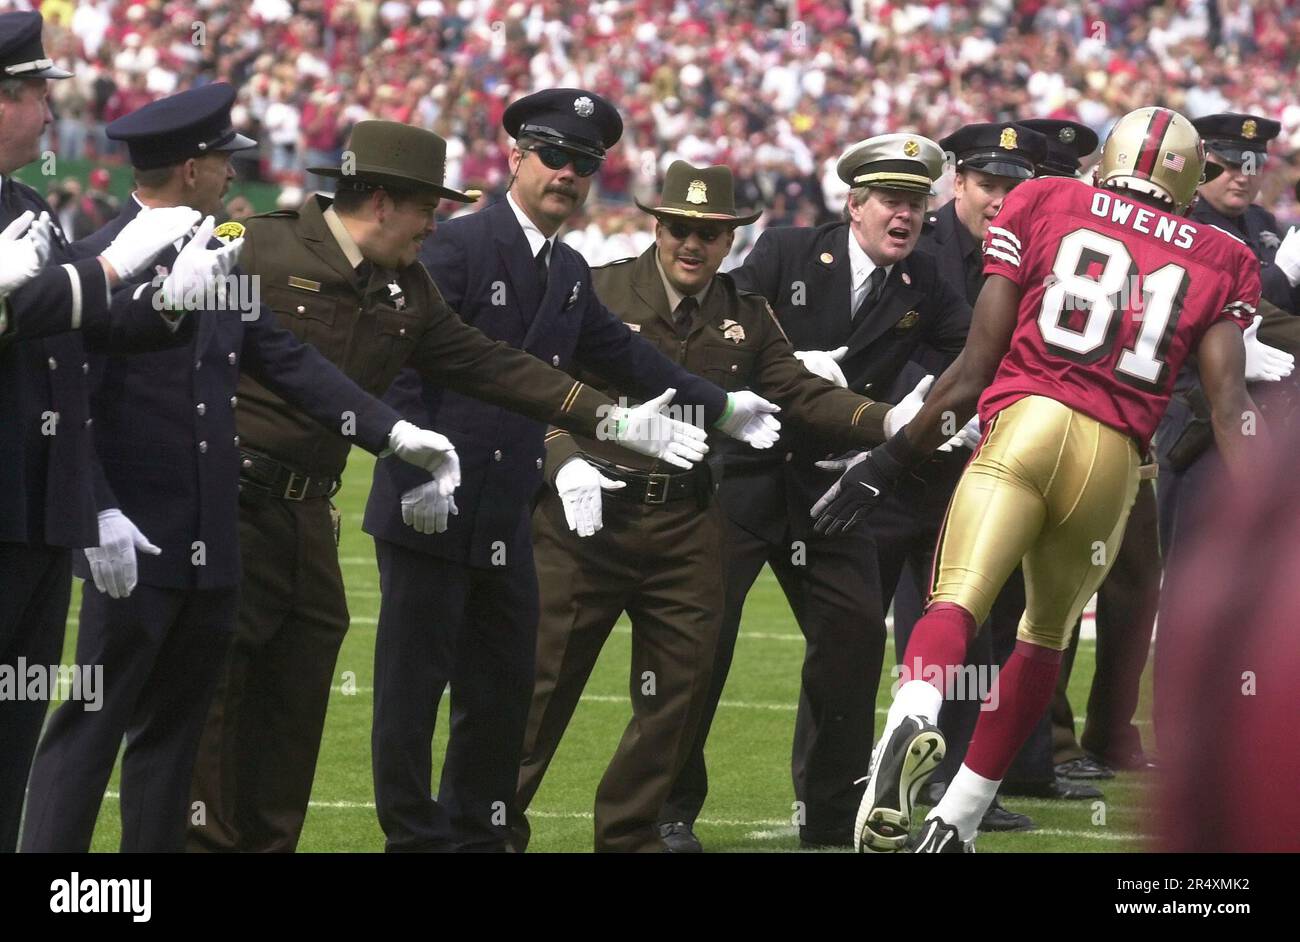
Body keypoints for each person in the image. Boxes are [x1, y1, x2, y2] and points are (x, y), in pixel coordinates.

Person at [186, 117, 709, 853]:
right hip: (229, 504)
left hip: (309, 514)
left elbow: (492, 364)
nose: (435, 225)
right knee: (216, 714)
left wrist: (611, 421)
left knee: (292, 719)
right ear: (380, 202)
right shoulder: (258, 250)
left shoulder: (407, 287)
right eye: (426, 209)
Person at [19, 85, 464, 853]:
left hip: (213, 536)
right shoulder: (96, 263)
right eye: (222, 160)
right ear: (191, 169)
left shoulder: (223, 253)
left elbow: (287, 361)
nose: (233, 175)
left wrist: (393, 434)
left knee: (176, 740)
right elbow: (64, 402)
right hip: (135, 538)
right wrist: (95, 511)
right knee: (90, 728)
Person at [817, 106, 1265, 853]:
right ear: (1188, 183)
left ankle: (913, 716)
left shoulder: (1044, 200)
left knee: (956, 596)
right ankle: (958, 820)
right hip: (1115, 460)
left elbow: (973, 369)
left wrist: (889, 460)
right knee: (1044, 639)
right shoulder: (1224, 256)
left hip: (1025, 422)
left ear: (1106, 162)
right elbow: (1229, 406)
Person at [361, 89, 780, 853]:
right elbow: (395, 360)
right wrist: (409, 457)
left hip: (508, 513)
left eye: (584, 163)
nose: (567, 172)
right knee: (409, 695)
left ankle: (479, 838)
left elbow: (627, 358)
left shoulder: (566, 269)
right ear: (515, 156)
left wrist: (718, 405)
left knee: (502, 696)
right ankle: (412, 842)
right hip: (431, 504)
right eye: (553, 155)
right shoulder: (455, 246)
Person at [512, 161, 927, 853]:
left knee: (675, 696)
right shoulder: (600, 290)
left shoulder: (744, 312)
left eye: (709, 232)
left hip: (687, 522)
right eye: (679, 228)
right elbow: (534, 386)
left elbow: (798, 391)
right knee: (540, 687)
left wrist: (887, 422)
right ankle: (491, 833)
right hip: (589, 518)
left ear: (732, 238)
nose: (692, 244)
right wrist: (562, 460)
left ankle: (632, 837)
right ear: (656, 224)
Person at [662, 133, 975, 849]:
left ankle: (831, 818)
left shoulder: (924, 277)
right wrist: (781, 366)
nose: (906, 216)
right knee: (700, 642)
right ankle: (670, 809)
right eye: (892, 201)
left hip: (837, 488)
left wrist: (943, 405)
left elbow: (971, 351)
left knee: (855, 640)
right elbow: (718, 327)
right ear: (853, 205)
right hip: (746, 474)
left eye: (918, 203)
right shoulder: (787, 251)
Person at [0, 9, 227, 852]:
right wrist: (115, 261)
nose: (50, 113)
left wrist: (164, 302)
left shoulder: (23, 202)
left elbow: (66, 334)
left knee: (12, 745)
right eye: (32, 94)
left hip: (34, 511)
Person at [894, 121, 1073, 830]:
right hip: (920, 458)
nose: (1000, 200)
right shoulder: (922, 247)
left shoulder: (1038, 248)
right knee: (936, 611)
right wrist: (924, 411)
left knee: (995, 622)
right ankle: (917, 768)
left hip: (1006, 455)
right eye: (987, 185)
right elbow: (891, 343)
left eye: (1013, 186)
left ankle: (966, 780)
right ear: (957, 183)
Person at [1151, 112, 1298, 750]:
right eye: (1231, 162)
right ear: (1204, 163)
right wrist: (1282, 283)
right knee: (1193, 583)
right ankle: (1182, 728)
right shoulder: (1184, 226)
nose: (1243, 175)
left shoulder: (1264, 229)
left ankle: (1238, 723)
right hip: (1197, 426)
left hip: (1265, 422)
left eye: (1254, 163)